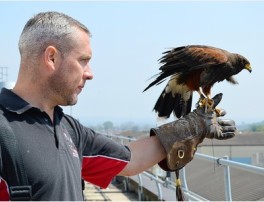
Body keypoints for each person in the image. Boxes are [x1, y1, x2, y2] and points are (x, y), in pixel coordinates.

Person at [0, 11, 236, 201]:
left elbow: (130, 160)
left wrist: (191, 127)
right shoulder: (4, 130)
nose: (90, 74)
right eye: (83, 61)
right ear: (51, 58)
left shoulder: (68, 129)